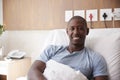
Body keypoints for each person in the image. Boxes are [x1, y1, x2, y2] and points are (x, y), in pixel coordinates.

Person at [27, 16, 109, 80]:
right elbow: (33, 71)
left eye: (80, 28)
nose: (76, 32)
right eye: (72, 29)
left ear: (87, 31)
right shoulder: (51, 50)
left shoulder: (96, 58)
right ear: (67, 31)